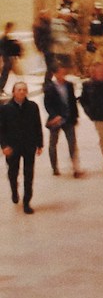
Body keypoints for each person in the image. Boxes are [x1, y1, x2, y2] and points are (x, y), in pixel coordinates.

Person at [1, 81, 43, 212]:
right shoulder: (5, 108)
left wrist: (39, 144)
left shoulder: (32, 107)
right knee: (13, 172)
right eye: (19, 89)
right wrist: (4, 145)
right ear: (13, 92)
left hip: (28, 145)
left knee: (29, 173)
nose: (22, 92)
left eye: (24, 89)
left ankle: (27, 201)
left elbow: (37, 125)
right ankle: (14, 190)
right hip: (12, 146)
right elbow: (1, 129)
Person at [42, 64, 82, 178]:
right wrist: (54, 116)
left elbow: (72, 102)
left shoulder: (69, 85)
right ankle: (54, 167)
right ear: (55, 74)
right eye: (60, 73)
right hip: (56, 119)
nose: (62, 75)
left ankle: (75, 167)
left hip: (68, 118)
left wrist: (75, 116)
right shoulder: (49, 87)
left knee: (72, 144)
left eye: (63, 72)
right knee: (53, 144)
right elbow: (47, 104)